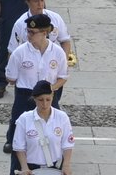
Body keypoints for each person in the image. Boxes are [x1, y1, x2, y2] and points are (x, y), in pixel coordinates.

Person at [4, 16, 69, 158]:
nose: (29, 35)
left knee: (51, 123)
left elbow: (63, 76)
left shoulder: (57, 53)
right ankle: (14, 145)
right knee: (19, 122)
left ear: (44, 32)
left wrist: (51, 89)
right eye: (28, 31)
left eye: (33, 32)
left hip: (48, 94)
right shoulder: (20, 52)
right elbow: (11, 78)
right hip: (25, 94)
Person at [4, 0, 75, 71]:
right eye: (36, 1)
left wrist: (62, 63)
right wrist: (12, 72)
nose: (40, 4)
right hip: (29, 67)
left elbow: (65, 41)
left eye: (42, 0)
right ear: (27, 2)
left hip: (52, 66)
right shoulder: (20, 24)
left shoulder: (55, 18)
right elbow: (12, 52)